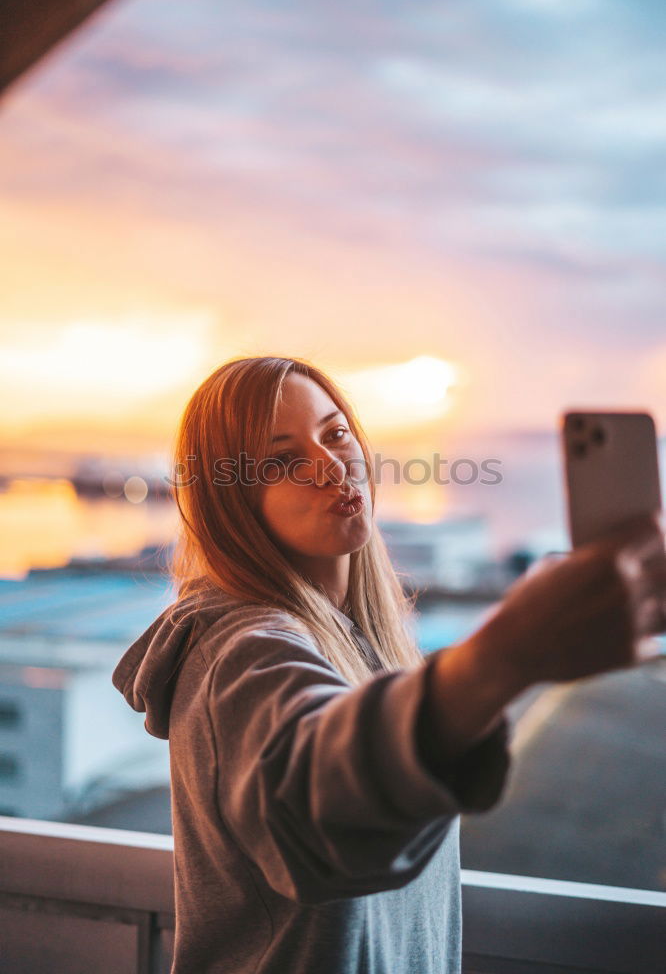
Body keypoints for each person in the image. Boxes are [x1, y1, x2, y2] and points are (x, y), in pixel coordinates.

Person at [112, 355, 666, 974]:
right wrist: (509, 654)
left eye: (335, 432)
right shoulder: (240, 650)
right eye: (282, 460)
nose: (329, 465)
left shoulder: (361, 642)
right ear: (233, 501)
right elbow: (316, 811)